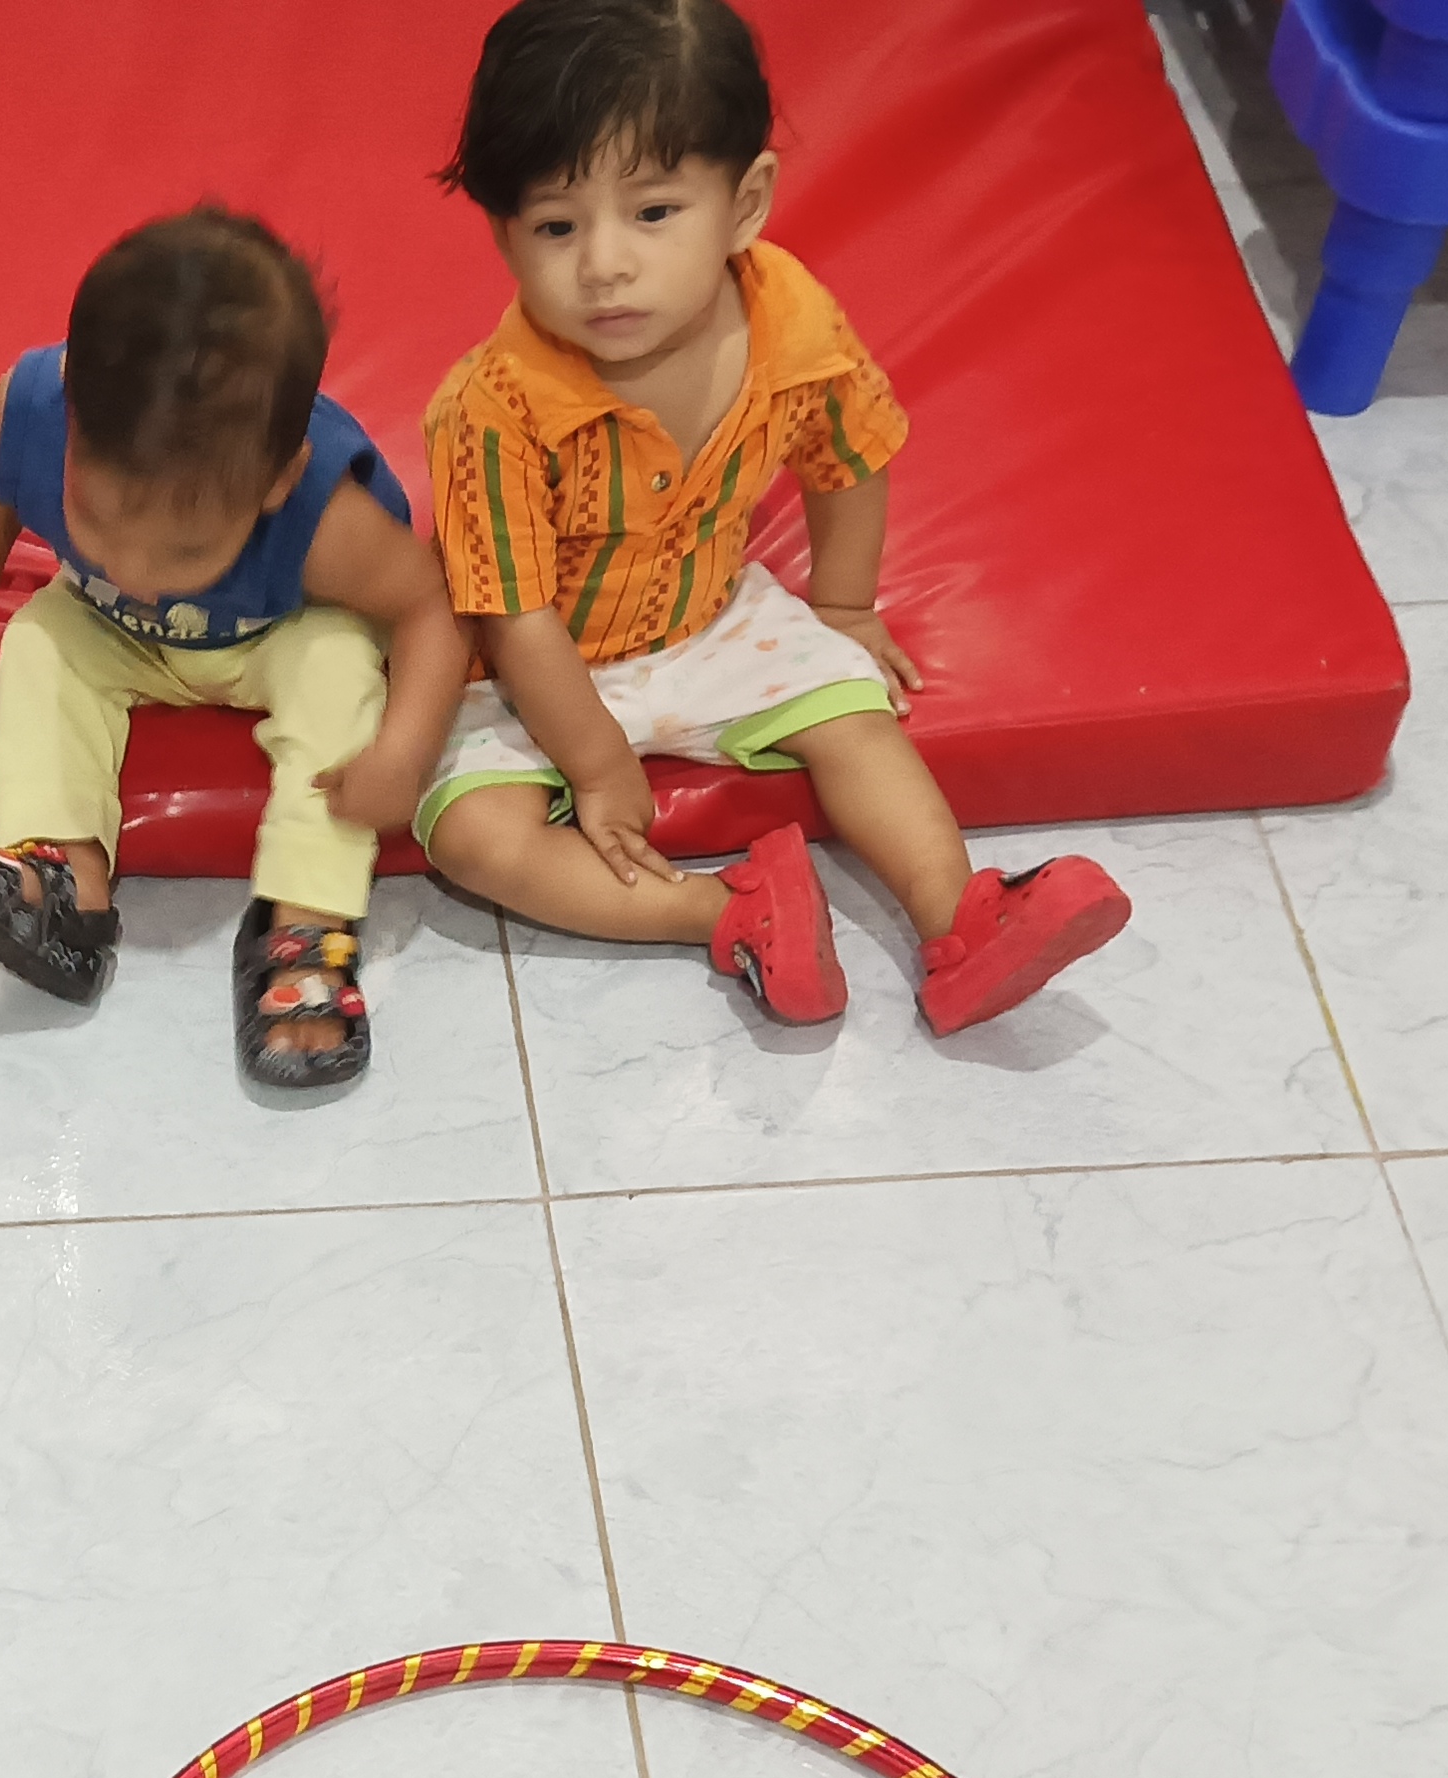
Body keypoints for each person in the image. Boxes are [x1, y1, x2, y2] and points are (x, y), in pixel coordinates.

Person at [417, 0, 1128, 1032]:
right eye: (556, 226)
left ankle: (961, 920)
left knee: (857, 721)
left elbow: (850, 456)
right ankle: (728, 912)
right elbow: (515, 614)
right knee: (473, 839)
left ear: (743, 202)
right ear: (503, 234)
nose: (603, 264)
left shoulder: (791, 320)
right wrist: (597, 764)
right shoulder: (491, 408)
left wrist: (842, 607)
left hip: (715, 618)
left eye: (653, 213)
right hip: (537, 672)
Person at [0, 208, 463, 1090]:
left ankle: (306, 920)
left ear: (277, 481)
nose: (135, 572)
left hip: (280, 630)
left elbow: (429, 606)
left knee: (339, 672)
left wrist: (404, 753)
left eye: (184, 550)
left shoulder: (326, 517)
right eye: (97, 521)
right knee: (39, 639)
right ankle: (65, 883)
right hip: (106, 630)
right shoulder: (35, 409)